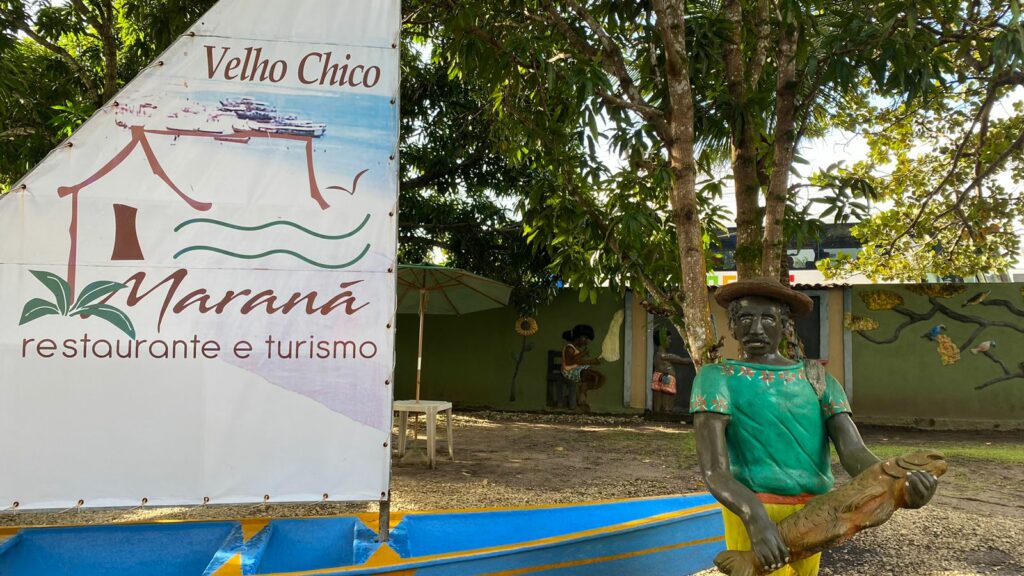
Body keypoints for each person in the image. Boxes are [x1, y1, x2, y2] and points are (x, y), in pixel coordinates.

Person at [691, 278, 938, 576]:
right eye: (745, 318)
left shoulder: (817, 379)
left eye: (768, 318)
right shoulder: (717, 378)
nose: (756, 328)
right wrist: (755, 518)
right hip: (754, 508)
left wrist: (898, 484)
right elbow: (714, 470)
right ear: (732, 326)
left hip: (818, 513)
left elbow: (854, 451)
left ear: (785, 326)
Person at [561, 324, 605, 410]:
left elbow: (578, 362)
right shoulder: (569, 348)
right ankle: (581, 395)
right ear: (577, 337)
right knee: (592, 376)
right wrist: (587, 359)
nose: (587, 342)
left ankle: (583, 390)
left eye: (588, 339)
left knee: (601, 378)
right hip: (569, 371)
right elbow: (569, 362)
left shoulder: (577, 348)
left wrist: (591, 362)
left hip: (577, 370)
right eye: (586, 338)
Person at [652, 328, 693, 414]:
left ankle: (659, 412)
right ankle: (666, 412)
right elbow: (682, 360)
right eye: (669, 339)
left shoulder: (659, 355)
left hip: (659, 377)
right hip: (665, 378)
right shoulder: (663, 355)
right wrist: (695, 359)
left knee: (659, 397)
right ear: (663, 339)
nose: (670, 341)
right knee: (668, 397)